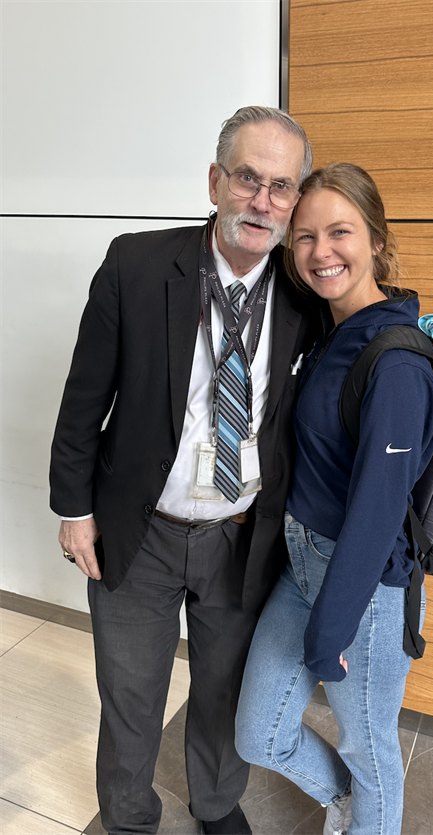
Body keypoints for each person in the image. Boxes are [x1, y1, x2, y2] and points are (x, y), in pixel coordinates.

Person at [49, 105, 313, 835]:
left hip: (242, 531)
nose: (262, 201)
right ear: (214, 181)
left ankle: (216, 802)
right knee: (132, 691)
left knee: (223, 686)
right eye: (247, 179)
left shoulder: (303, 293)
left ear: (294, 200)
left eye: (281, 187)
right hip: (143, 527)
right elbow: (82, 400)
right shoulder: (136, 264)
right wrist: (74, 510)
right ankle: (129, 816)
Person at [234, 163, 433, 835]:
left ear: (376, 240)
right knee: (257, 735)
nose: (320, 252)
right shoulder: (329, 334)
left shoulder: (396, 362)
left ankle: (369, 817)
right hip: (301, 565)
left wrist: (332, 628)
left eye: (340, 232)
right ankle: (351, 807)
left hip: (365, 586)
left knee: (370, 749)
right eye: (304, 236)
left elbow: (378, 514)